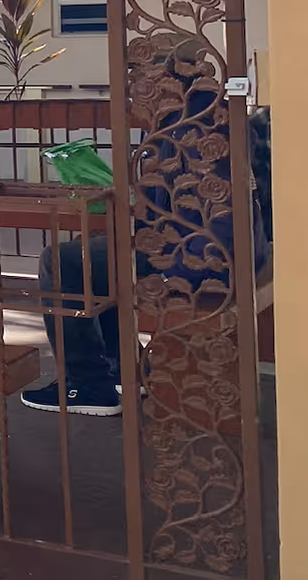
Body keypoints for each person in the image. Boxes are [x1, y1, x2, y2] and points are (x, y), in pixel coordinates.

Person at [23, 86, 273, 418]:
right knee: (98, 258)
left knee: (62, 260)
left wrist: (173, 268)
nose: (127, 102)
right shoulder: (208, 112)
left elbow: (212, 217)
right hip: (233, 249)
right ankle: (126, 369)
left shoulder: (185, 125)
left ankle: (86, 384)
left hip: (202, 259)